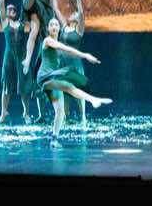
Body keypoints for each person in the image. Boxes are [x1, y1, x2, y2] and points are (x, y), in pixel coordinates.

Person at [0, 0, 84, 73]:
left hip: (42, 9)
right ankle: (28, 60)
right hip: (31, 5)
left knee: (35, 31)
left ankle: (32, 61)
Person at [36, 18, 112, 146]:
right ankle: (93, 99)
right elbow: (67, 48)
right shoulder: (47, 41)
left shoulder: (58, 44)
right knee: (68, 86)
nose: (54, 26)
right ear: (48, 29)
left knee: (60, 112)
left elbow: (71, 53)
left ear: (59, 29)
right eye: (51, 25)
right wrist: (85, 55)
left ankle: (54, 139)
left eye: (56, 24)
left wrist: (83, 57)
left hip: (53, 79)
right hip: (45, 77)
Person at [52, 0, 88, 125]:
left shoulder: (79, 29)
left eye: (75, 14)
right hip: (63, 64)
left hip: (75, 64)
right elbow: (56, 9)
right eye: (73, 13)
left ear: (78, 19)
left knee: (78, 90)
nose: (72, 14)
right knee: (65, 91)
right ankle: (65, 116)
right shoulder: (64, 26)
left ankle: (83, 117)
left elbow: (82, 13)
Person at [0, 0, 30, 124]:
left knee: (23, 86)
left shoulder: (22, 24)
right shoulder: (5, 23)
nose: (11, 10)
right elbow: (1, 5)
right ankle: (3, 113)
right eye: (9, 9)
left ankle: (26, 113)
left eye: (13, 9)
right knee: (6, 86)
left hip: (21, 56)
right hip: (9, 57)